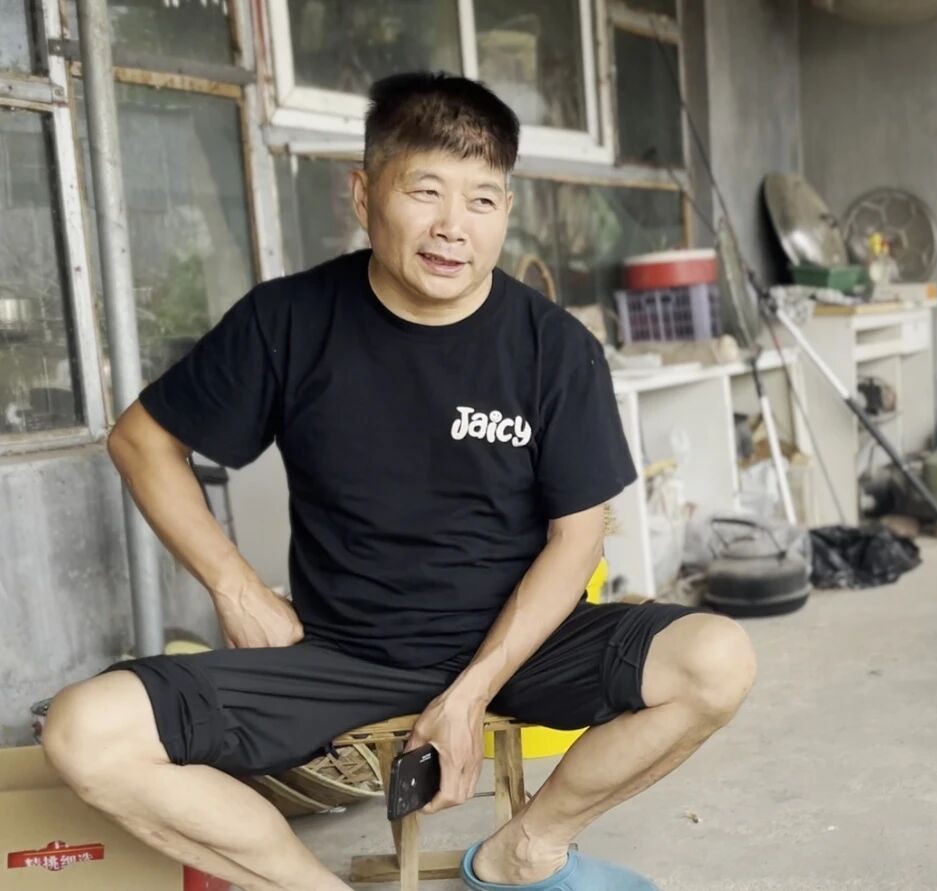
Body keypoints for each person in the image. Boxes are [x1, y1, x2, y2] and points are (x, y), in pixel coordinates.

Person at [40, 72, 756, 891]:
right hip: (341, 651)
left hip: (522, 644)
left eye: (481, 200)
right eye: (425, 191)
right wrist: (236, 588)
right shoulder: (289, 321)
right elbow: (141, 440)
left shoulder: (553, 348)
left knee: (716, 658)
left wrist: (471, 692)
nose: (453, 227)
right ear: (363, 194)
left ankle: (526, 850)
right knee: (83, 731)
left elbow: (578, 535)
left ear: (506, 210)